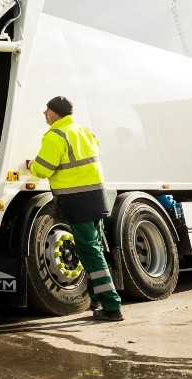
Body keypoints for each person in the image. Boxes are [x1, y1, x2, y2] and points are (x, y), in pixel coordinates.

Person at [29, 96, 123, 322]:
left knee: (90, 251)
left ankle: (112, 307)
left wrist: (32, 165)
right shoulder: (84, 131)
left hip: (77, 200)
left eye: (48, 110)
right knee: (94, 249)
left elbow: (43, 169)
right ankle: (99, 300)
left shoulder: (56, 135)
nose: (45, 113)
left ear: (57, 114)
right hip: (96, 198)